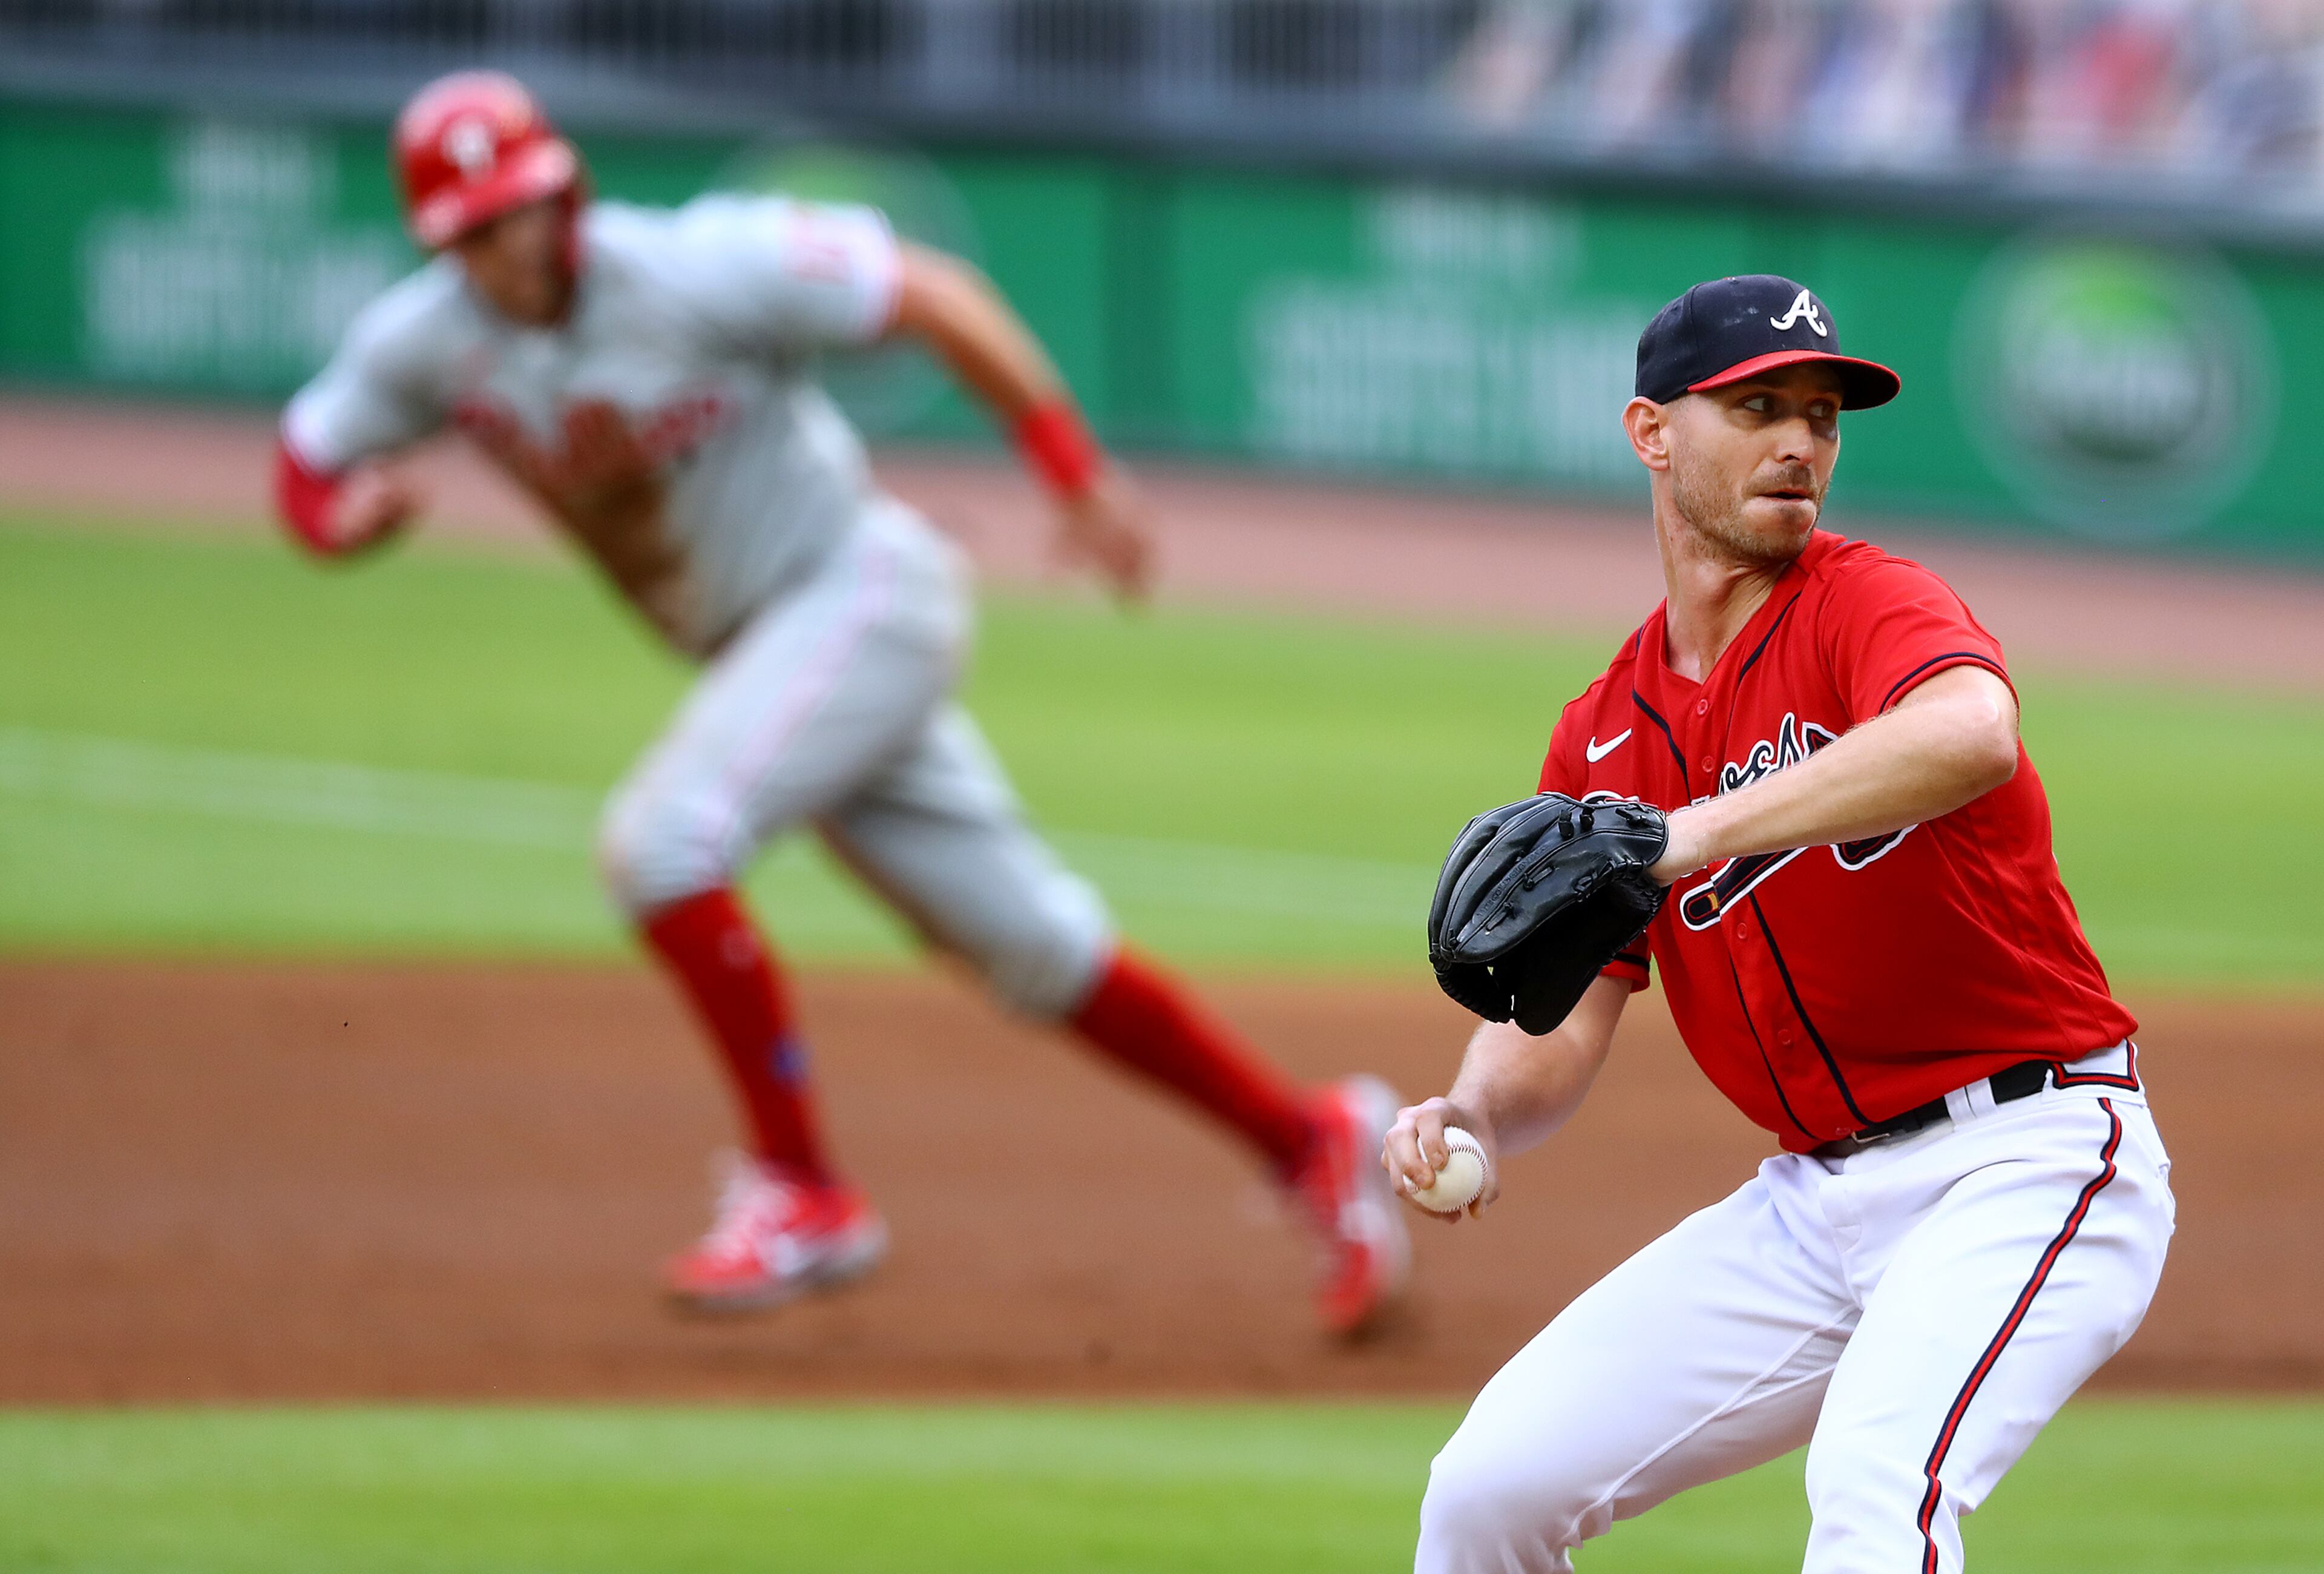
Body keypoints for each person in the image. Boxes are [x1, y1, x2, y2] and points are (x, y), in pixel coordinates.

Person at [275, 70, 1407, 1336]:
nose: (510, 242)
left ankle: (803, 1192)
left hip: (860, 592)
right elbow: (308, 456)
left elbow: (937, 295)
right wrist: (338, 526)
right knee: (1034, 946)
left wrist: (1075, 478)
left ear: (565, 191)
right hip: (780, 652)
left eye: (523, 206)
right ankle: (1310, 1137)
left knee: (663, 843)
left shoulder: (696, 266)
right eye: (476, 229)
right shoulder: (427, 340)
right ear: (442, 244)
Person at [1384, 275, 2174, 1569]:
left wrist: (1684, 833)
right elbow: (1562, 1022)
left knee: (1877, 1491)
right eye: (1757, 407)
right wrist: (1470, 1110)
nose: (1800, 442)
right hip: (1816, 1205)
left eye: (1822, 413)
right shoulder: (1603, 733)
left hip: (2028, 1156)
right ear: (1653, 433)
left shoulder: (1867, 605)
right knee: (1488, 1489)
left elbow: (1972, 731)